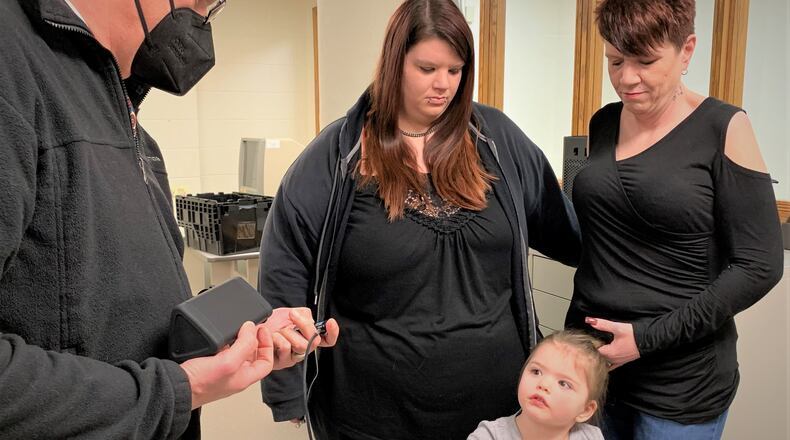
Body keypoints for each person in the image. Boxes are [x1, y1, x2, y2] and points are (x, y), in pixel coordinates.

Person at [0, 0, 338, 438]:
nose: (203, 16)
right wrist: (180, 389)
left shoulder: (126, 121)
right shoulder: (14, 69)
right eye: (201, 2)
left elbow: (118, 312)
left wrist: (239, 335)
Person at [257, 0, 581, 438]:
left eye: (455, 70)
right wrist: (286, 389)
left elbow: (566, 233)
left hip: (498, 415)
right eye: (427, 68)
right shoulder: (337, 154)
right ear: (395, 63)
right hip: (373, 414)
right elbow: (285, 270)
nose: (442, 85)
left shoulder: (498, 139)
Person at [564, 0, 784, 439]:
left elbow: (760, 265)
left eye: (646, 61)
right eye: (615, 60)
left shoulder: (724, 127)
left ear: (687, 50)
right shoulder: (605, 122)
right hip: (597, 366)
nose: (627, 78)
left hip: (680, 383)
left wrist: (646, 339)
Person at [467, 330, 607, 440]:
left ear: (585, 410)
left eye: (563, 383)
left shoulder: (591, 437)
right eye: (536, 371)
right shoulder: (489, 436)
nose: (543, 384)